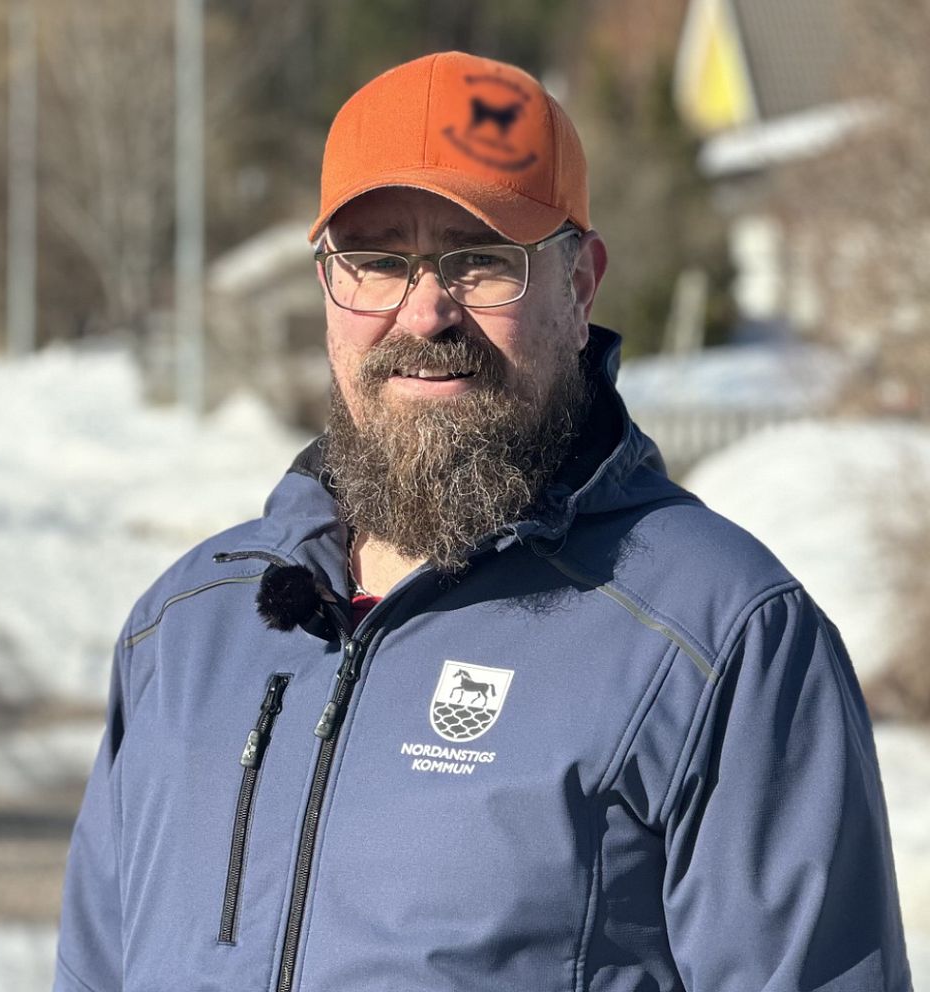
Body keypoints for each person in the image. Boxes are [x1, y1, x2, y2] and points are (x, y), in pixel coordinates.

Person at [54, 51, 912, 992]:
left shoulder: (717, 638)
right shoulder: (185, 627)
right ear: (328, 286)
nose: (425, 313)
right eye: (377, 261)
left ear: (580, 288)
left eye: (481, 260)